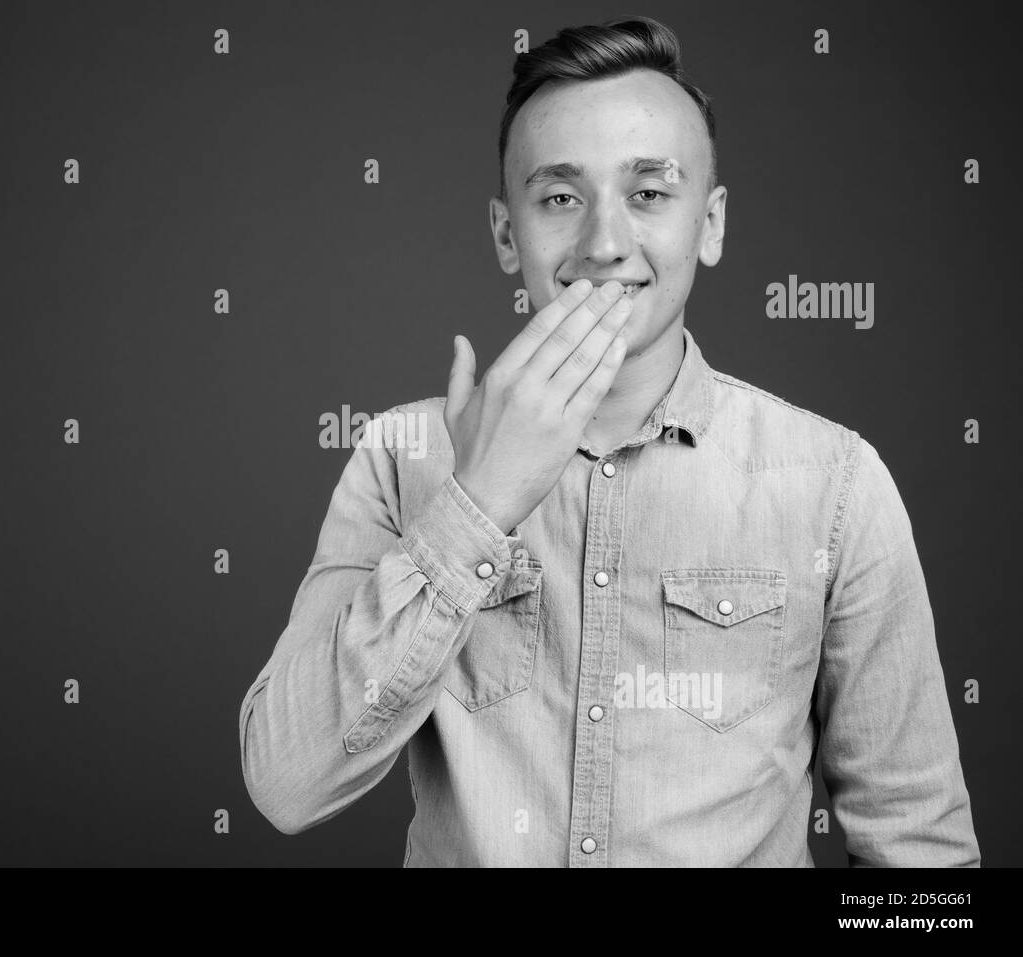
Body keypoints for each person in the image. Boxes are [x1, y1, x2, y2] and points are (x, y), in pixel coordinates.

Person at [237, 16, 979, 867]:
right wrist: (474, 510)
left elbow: (922, 854)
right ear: (506, 233)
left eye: (650, 193)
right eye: (560, 197)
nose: (602, 242)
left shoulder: (835, 483)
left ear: (710, 222)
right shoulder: (401, 455)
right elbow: (285, 784)